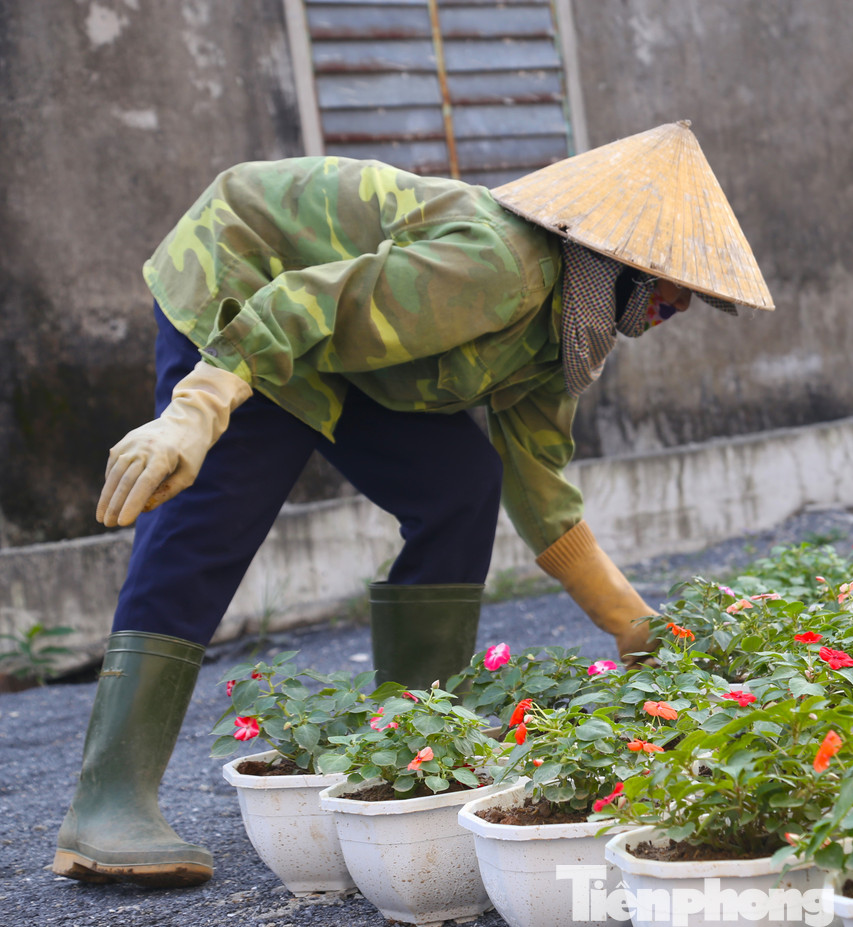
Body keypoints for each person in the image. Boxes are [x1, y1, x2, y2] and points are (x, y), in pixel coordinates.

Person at [53, 122, 774, 887]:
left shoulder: (562, 333)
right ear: (625, 263)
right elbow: (307, 303)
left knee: (459, 487)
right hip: (249, 278)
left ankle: (406, 748)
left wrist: (631, 622)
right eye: (679, 285)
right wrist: (196, 410)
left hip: (336, 336)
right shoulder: (499, 268)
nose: (685, 305)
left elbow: (542, 486)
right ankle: (108, 803)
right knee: (215, 514)